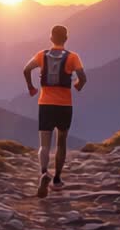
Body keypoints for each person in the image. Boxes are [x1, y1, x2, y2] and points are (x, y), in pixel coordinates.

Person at [23, 24, 87, 198]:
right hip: (64, 106)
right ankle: (57, 179)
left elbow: (26, 69)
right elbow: (83, 78)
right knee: (61, 143)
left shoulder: (41, 55)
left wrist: (31, 88)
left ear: (51, 38)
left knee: (44, 144)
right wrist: (77, 85)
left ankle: (44, 173)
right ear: (66, 39)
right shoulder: (73, 57)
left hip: (45, 104)